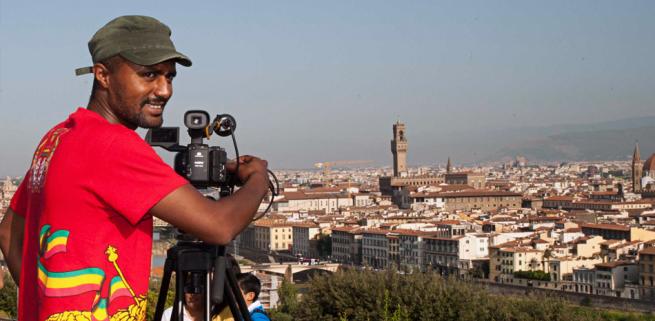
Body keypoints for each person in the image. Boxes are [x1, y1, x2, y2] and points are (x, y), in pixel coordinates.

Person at [0, 15, 269, 321]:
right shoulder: (115, 145)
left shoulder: (59, 136)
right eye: (149, 74)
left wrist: (49, 307)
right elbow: (219, 226)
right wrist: (258, 179)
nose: (164, 90)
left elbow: (9, 232)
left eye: (169, 76)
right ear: (103, 75)